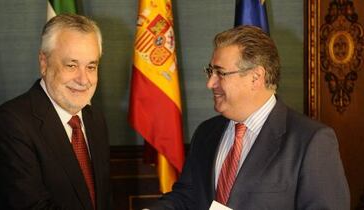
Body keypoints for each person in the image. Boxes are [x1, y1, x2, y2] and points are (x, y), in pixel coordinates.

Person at [149, 25, 350, 210]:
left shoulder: (311, 140)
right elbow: (187, 197)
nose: (210, 83)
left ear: (256, 77)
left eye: (220, 73)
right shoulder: (206, 133)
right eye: (211, 72)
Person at [0, 14, 110, 210]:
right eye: (71, 65)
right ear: (44, 63)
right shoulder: (11, 124)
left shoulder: (95, 120)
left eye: (91, 67)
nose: (83, 79)